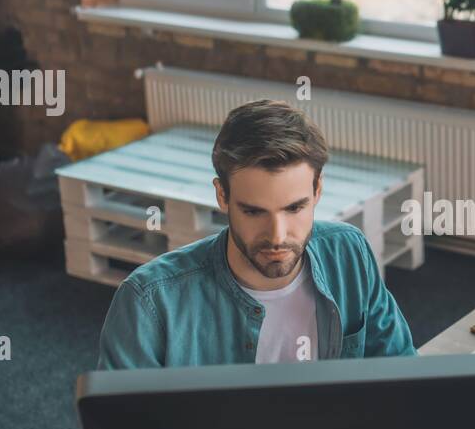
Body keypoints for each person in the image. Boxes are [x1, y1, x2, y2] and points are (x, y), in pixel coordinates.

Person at [97, 99, 416, 369]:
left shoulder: (349, 252)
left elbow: (400, 371)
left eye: (294, 208)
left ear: (317, 190)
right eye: (254, 211)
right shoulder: (150, 302)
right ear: (222, 196)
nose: (277, 236)